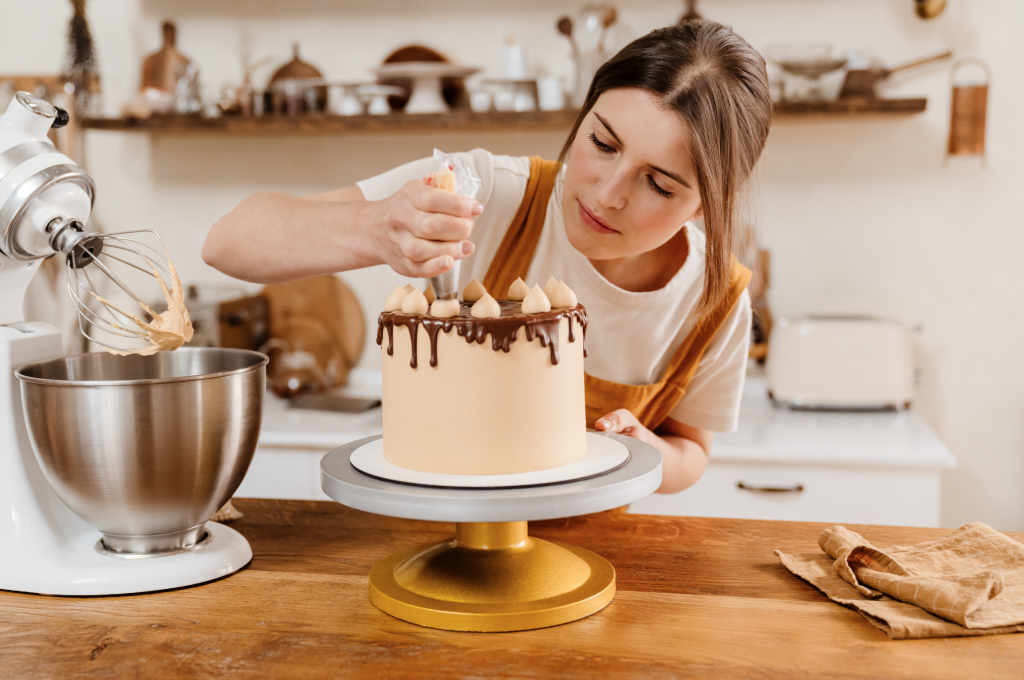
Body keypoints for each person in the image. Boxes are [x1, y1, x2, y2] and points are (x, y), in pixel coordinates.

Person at [203, 20, 773, 494]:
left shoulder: (715, 300)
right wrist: (372, 227)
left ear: (705, 205)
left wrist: (648, 450)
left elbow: (691, 450)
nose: (607, 194)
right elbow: (228, 243)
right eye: (602, 144)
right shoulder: (485, 192)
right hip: (434, 533)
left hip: (602, 560)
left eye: (660, 184)